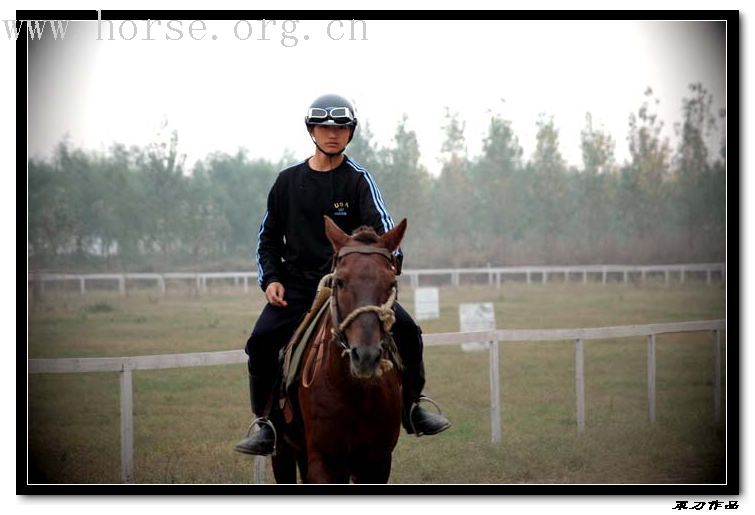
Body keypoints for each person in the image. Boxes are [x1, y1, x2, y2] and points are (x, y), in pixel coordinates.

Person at [234, 93, 450, 456]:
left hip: (353, 288)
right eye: (324, 127)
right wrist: (270, 279)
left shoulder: (359, 181)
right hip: (298, 286)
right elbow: (267, 238)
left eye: (341, 128)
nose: (332, 134)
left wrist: (380, 275)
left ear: (350, 133)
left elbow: (385, 238)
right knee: (260, 342)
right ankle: (266, 423)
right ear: (311, 131)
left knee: (410, 331)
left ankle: (413, 407)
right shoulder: (286, 182)